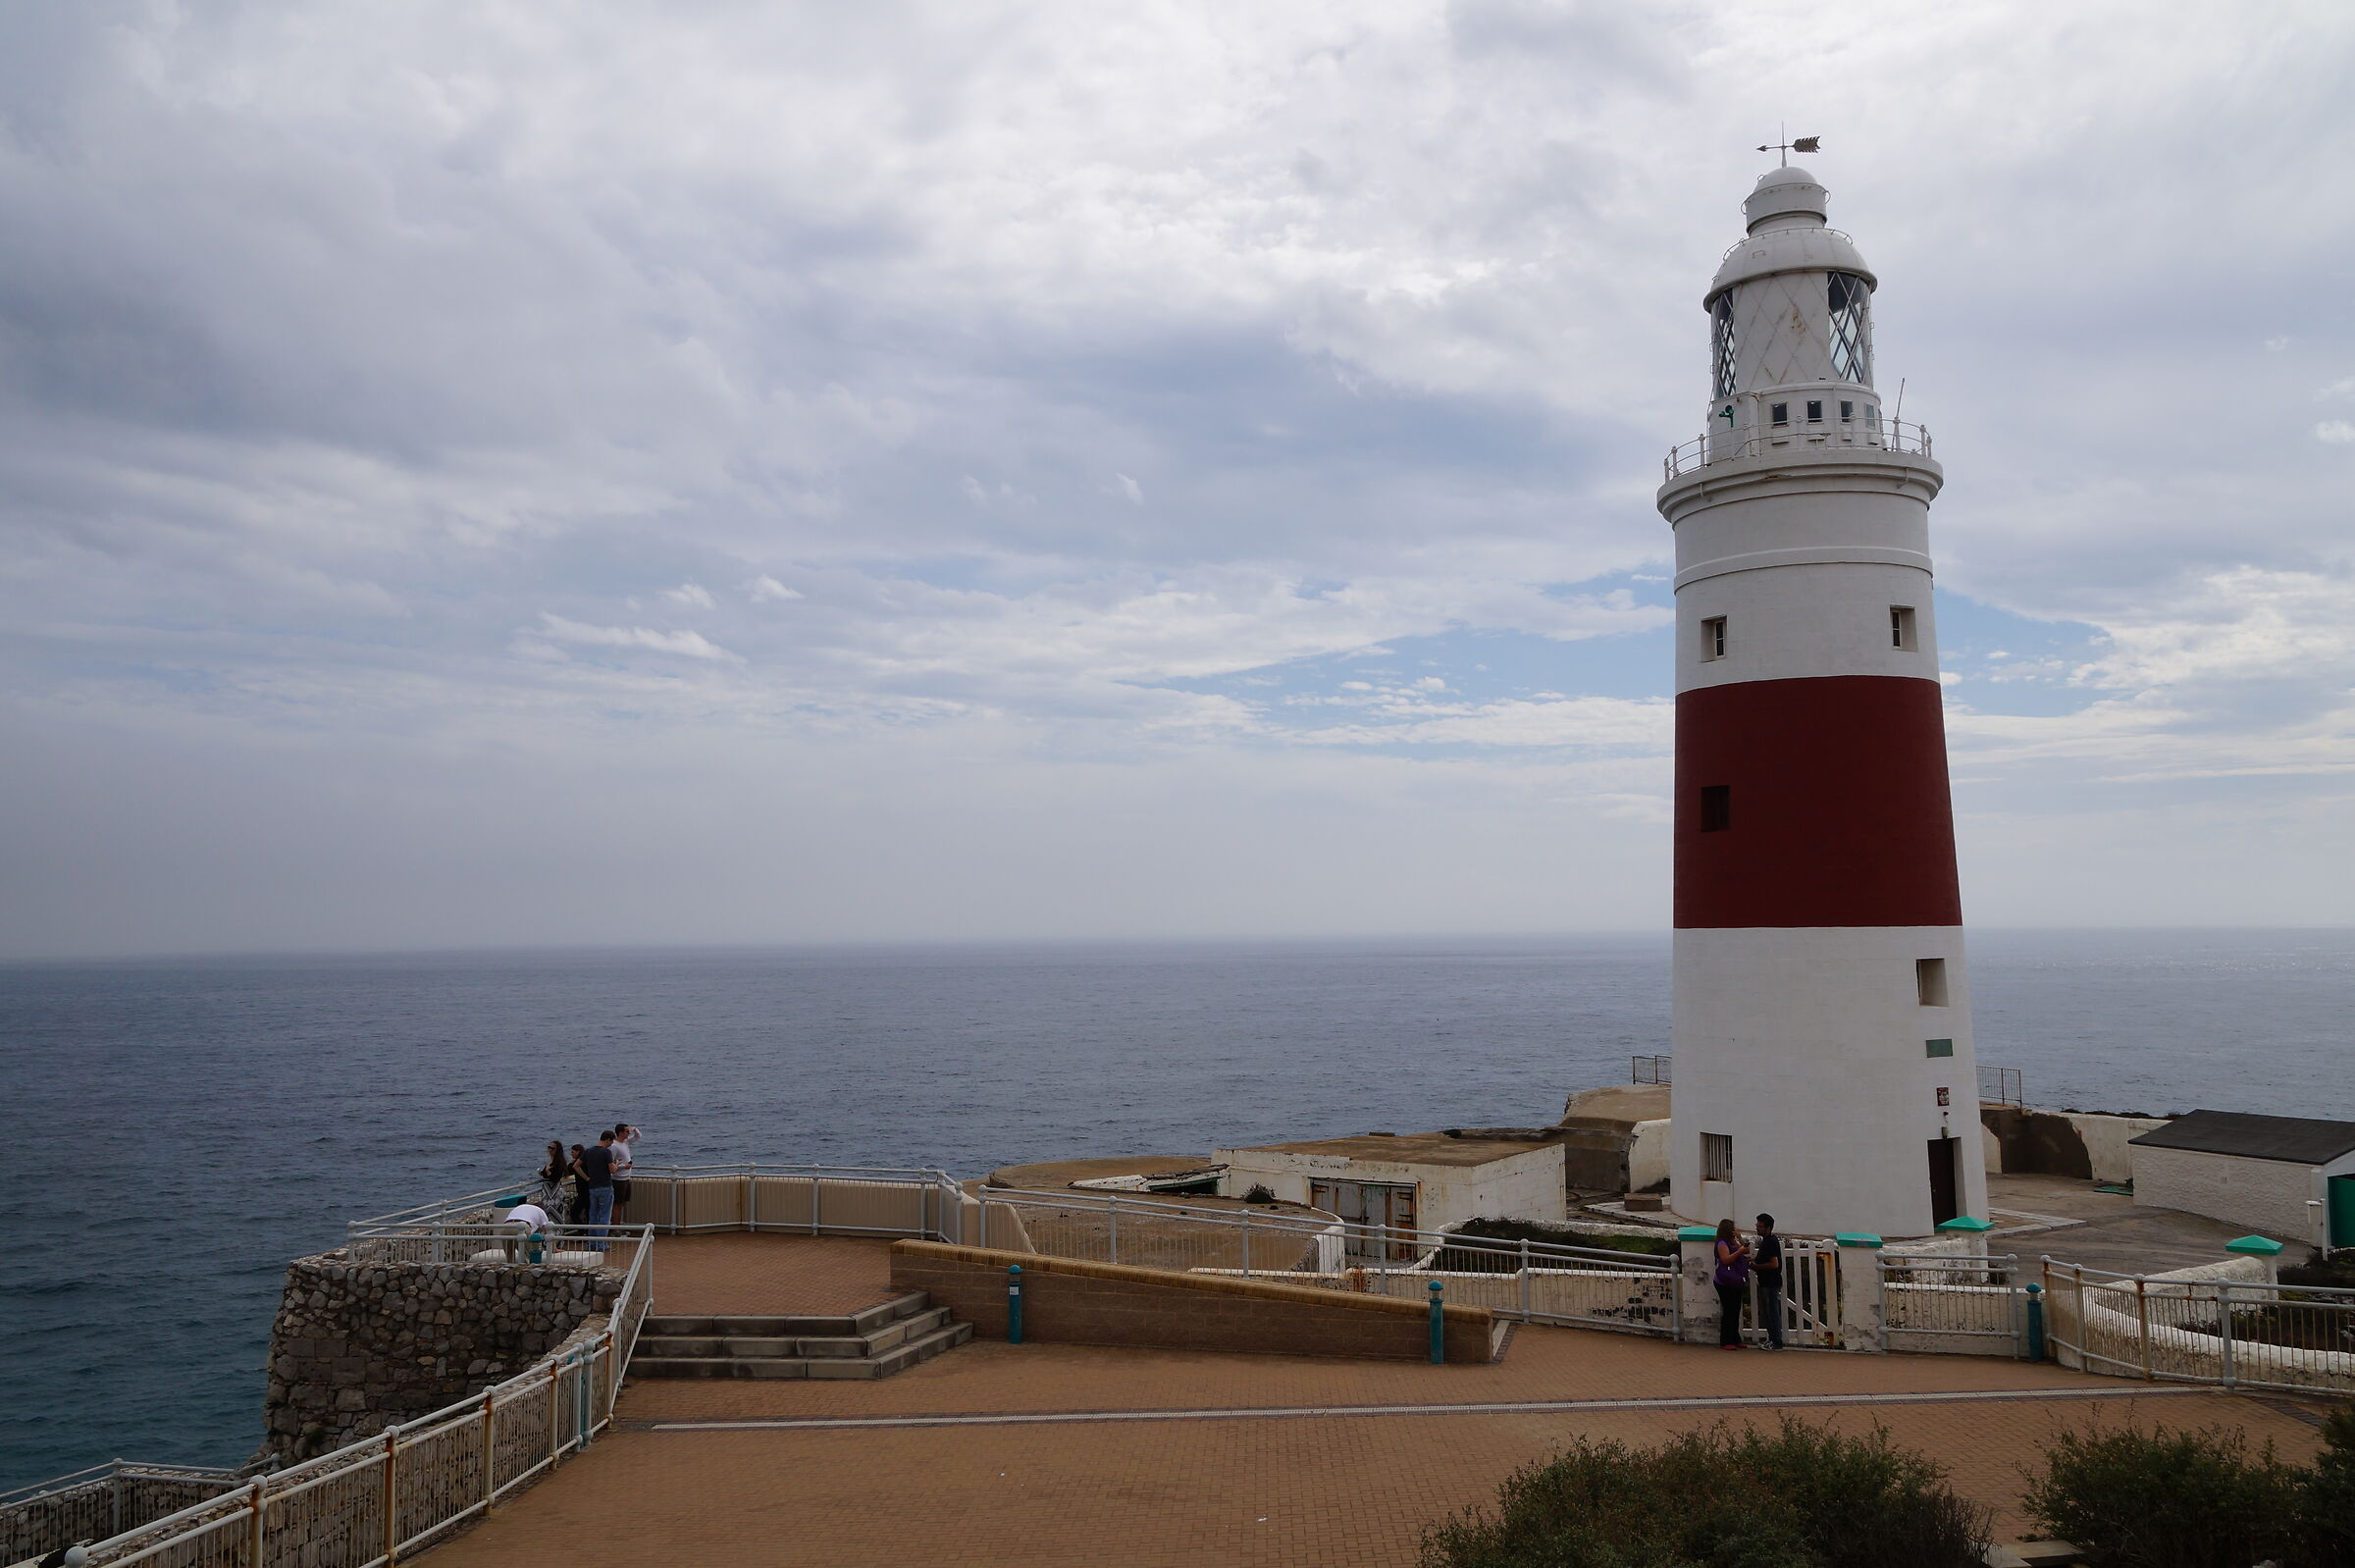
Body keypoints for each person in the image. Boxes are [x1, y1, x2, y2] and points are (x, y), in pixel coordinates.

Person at [1712, 1218, 1752, 1349]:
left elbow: (1746, 1250)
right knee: (1729, 1310)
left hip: (1735, 1280)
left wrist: (1740, 1239)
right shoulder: (1722, 1243)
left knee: (1735, 1310)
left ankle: (1735, 1338)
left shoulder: (1732, 1241)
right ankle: (1726, 1340)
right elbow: (1726, 1260)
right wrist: (1739, 1251)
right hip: (1724, 1281)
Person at [578, 1128, 617, 1251]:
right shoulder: (606, 1152)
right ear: (608, 1139)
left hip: (592, 1187)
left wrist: (587, 1178)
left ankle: (591, 1244)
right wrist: (617, 1165)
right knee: (605, 1216)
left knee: (593, 1215)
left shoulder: (588, 1151)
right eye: (611, 1141)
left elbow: (576, 1165)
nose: (611, 1144)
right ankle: (602, 1245)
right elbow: (612, 1170)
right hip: (605, 1186)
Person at [1753, 1213, 1786, 1350]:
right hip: (1766, 1281)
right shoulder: (1767, 1241)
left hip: (1770, 1282)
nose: (1757, 1229)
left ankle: (1776, 1342)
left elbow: (1774, 1264)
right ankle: (1772, 1339)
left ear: (1768, 1227)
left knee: (1772, 1313)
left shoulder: (1770, 1242)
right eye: (1757, 1226)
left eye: (1760, 1226)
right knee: (1767, 1313)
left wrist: (1757, 1267)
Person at [502, 1198, 552, 1263]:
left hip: (506, 1227)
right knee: (528, 1255)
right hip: (522, 1226)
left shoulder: (521, 1207)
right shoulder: (540, 1211)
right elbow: (548, 1231)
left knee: (510, 1257)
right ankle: (528, 1270)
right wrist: (554, 1248)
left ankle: (510, 1270)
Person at [609, 1122, 637, 1225]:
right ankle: (615, 1228)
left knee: (622, 1204)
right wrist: (624, 1166)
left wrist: (634, 1129)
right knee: (617, 1204)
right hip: (618, 1179)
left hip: (626, 1178)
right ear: (620, 1133)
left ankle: (618, 1226)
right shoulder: (614, 1146)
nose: (628, 1133)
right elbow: (610, 1163)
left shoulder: (625, 1142)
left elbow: (638, 1136)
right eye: (627, 1131)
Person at [535, 1141, 569, 1210]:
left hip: (553, 1190)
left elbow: (555, 1178)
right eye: (549, 1148)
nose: (550, 1150)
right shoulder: (551, 1160)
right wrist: (542, 1173)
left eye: (552, 1148)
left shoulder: (559, 1162)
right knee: (547, 1209)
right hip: (547, 1190)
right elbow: (546, 1174)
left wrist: (547, 1171)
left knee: (554, 1209)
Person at [565, 1143, 591, 1226]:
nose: (571, 1154)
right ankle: (588, 1231)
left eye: (573, 1152)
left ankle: (582, 1231)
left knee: (574, 1212)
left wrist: (571, 1163)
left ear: (578, 1152)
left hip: (583, 1192)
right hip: (588, 1190)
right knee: (588, 1213)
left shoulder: (578, 1163)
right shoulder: (587, 1161)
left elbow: (568, 1171)